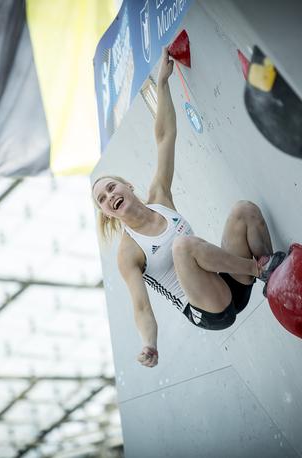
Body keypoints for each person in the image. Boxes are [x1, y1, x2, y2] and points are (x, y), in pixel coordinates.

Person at [92, 47, 285, 368]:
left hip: (228, 279)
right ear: (109, 212)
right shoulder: (129, 252)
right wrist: (149, 344)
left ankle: (272, 277)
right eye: (102, 200)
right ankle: (258, 269)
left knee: (243, 211)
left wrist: (164, 82)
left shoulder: (160, 197)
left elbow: (165, 136)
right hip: (210, 309)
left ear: (129, 187)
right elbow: (141, 308)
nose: (109, 196)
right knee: (182, 246)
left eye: (111, 187)